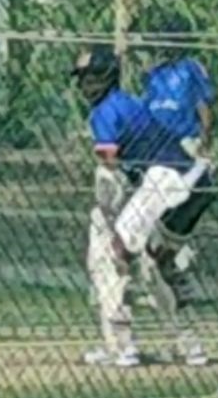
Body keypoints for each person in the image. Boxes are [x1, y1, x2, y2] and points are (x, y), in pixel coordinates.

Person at [72, 46, 208, 367]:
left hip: (163, 179)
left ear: (106, 76)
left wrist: (110, 215)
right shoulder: (130, 102)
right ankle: (188, 345)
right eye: (81, 79)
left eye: (90, 78)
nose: (84, 86)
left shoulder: (104, 111)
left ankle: (122, 346)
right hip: (193, 179)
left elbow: (109, 165)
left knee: (110, 255)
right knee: (155, 263)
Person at [139, 15, 217, 314]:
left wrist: (204, 144)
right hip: (158, 148)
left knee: (188, 201)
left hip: (185, 142)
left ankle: (175, 263)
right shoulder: (154, 74)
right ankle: (160, 270)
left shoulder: (191, 68)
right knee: (154, 207)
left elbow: (204, 108)